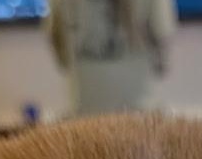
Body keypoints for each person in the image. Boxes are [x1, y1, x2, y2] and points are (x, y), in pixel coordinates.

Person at [48, 0, 178, 117]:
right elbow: (162, 31)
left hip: (87, 103)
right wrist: (161, 64)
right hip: (140, 104)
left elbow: (55, 36)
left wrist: (67, 63)